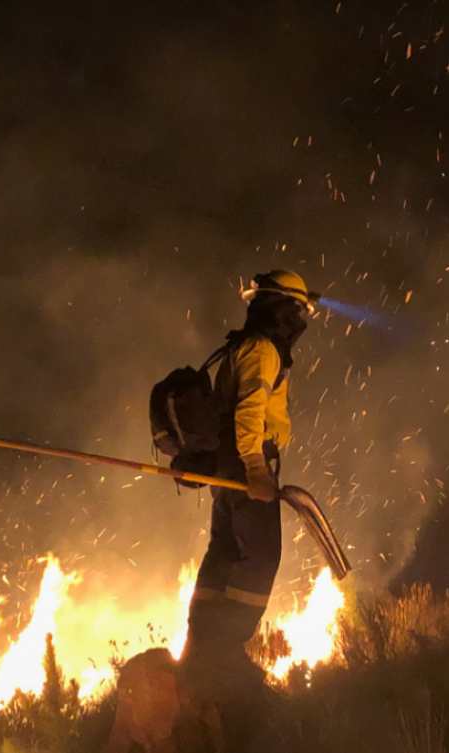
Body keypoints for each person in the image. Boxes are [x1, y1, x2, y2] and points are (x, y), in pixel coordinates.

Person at [179, 269, 318, 696]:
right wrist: (257, 470)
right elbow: (250, 411)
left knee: (225, 550)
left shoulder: (243, 345)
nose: (301, 320)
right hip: (245, 464)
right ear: (284, 309)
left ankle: (201, 645)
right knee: (260, 556)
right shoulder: (262, 349)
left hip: (227, 465)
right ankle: (224, 651)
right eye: (299, 309)